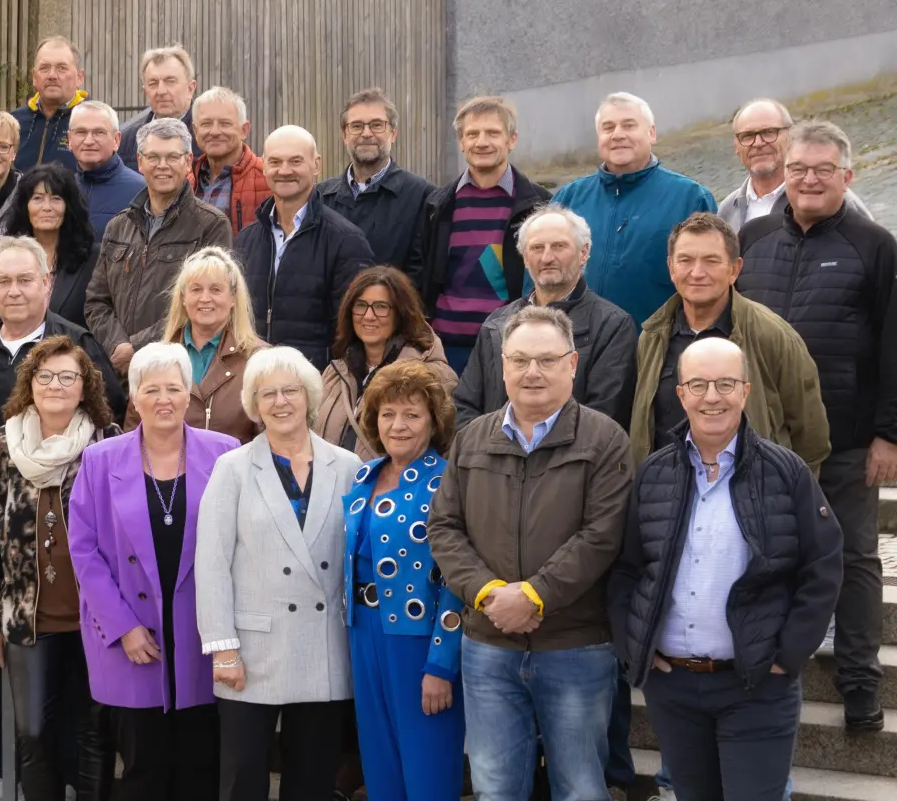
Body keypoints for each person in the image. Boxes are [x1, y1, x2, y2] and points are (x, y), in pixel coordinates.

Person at [609, 337, 843, 799]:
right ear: (680, 394)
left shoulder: (786, 472)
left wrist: (788, 655)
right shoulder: (653, 474)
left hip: (756, 685)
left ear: (745, 391)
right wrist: (635, 646)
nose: (711, 396)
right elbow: (626, 571)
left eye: (725, 384)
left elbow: (824, 565)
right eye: (697, 384)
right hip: (673, 687)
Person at [427, 305, 632, 801]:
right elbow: (444, 527)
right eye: (519, 360)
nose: (531, 372)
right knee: (496, 789)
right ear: (502, 367)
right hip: (488, 645)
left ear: (573, 364)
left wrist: (535, 596)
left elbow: (601, 535)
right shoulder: (472, 439)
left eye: (545, 360)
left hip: (575, 647)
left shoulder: (604, 439)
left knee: (581, 788)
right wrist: (492, 593)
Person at [736, 120, 896, 731]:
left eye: (822, 169)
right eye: (799, 167)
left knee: (854, 558)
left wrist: (890, 433)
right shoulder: (752, 238)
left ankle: (860, 683)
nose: (807, 179)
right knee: (766, 554)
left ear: (846, 177)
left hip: (850, 440)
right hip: (765, 439)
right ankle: (769, 668)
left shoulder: (875, 245)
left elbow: (893, 348)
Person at [66, 343, 241, 801]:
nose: (164, 399)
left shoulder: (226, 454)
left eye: (174, 388)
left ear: (190, 395)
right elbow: (83, 552)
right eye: (152, 389)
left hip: (201, 636)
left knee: (201, 768)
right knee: (142, 769)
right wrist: (122, 628)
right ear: (134, 396)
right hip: (130, 640)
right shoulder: (100, 461)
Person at [196, 346, 361, 801]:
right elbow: (211, 563)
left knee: (311, 780)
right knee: (243, 779)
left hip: (324, 647)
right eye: (267, 393)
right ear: (254, 403)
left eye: (290, 390)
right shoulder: (232, 468)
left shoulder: (348, 468)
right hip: (251, 650)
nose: (280, 402)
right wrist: (222, 648)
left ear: (309, 396)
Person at [0, 335, 121, 801]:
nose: (55, 385)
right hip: (25, 616)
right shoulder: (1, 445)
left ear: (85, 386)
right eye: (45, 376)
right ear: (29, 383)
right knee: (33, 733)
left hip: (97, 619)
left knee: (95, 731)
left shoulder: (106, 444)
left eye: (67, 377)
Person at [340, 361, 465, 801]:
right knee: (380, 767)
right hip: (363, 634)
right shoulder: (363, 476)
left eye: (412, 414)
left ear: (434, 422)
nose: (398, 425)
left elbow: (458, 579)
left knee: (427, 768)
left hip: (418, 641)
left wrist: (441, 665)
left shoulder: (447, 480)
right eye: (388, 413)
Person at [632, 213, 830, 469]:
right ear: (671, 268)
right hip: (666, 497)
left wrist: (784, 499)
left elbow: (811, 438)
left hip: (751, 500)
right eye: (685, 260)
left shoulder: (772, 335)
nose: (697, 272)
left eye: (711, 261)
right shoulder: (652, 336)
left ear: (735, 269)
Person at [455, 204, 636, 429]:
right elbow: (464, 407)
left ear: (584, 252)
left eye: (559, 246)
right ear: (524, 257)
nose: (547, 257)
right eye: (537, 248)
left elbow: (604, 419)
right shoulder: (496, 324)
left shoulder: (613, 326)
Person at [85, 117, 233, 376]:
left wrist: (136, 347)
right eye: (153, 157)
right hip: (119, 371)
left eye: (172, 157)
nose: (162, 166)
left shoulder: (211, 225)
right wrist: (117, 343)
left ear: (188, 162)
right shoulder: (119, 226)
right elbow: (97, 301)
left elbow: (205, 305)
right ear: (140, 162)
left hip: (179, 370)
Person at [554, 92, 717, 326]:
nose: (618, 135)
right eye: (608, 128)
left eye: (629, 125)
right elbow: (538, 274)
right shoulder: (568, 198)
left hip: (655, 346)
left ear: (651, 133)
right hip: (577, 345)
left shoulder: (690, 198)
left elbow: (710, 282)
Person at [419, 96, 550, 375]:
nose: (482, 142)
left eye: (493, 133)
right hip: (446, 349)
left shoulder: (538, 205)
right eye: (472, 134)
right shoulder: (438, 205)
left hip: (510, 346)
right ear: (462, 142)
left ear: (511, 139)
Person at [0, 237, 125, 450]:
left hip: (61, 478)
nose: (14, 291)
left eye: (25, 280)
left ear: (46, 283)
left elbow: (110, 415)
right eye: (3, 281)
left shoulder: (78, 345)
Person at [234, 124, 374, 368]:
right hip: (253, 381)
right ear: (264, 166)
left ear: (316, 165)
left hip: (314, 384)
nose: (284, 170)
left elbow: (356, 329)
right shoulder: (246, 240)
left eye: (296, 161)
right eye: (275, 162)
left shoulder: (345, 240)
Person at [124, 247, 266, 443]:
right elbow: (132, 434)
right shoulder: (153, 359)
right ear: (183, 297)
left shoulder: (260, 360)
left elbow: (272, 439)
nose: (205, 298)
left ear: (233, 297)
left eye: (216, 289)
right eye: (196, 289)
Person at [316, 266, 456, 459]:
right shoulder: (333, 373)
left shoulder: (432, 377)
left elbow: (445, 449)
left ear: (400, 313)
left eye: (381, 307)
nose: (368, 316)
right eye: (361, 305)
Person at [316, 88, 436, 275]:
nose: (366, 133)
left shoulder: (423, 196)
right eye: (356, 126)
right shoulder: (320, 197)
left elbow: (422, 275)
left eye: (377, 125)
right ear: (344, 135)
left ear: (393, 134)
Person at [716, 98, 869, 232]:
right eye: (747, 136)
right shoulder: (728, 210)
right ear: (736, 146)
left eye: (769, 132)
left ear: (791, 136)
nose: (758, 143)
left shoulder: (833, 200)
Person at [0, 163, 98, 328]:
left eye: (56, 199)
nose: (46, 208)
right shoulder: (4, 255)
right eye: (38, 198)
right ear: (25, 206)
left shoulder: (92, 258)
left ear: (69, 206)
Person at [189, 86, 269, 234]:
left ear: (243, 130)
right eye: (206, 124)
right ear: (195, 131)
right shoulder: (185, 182)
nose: (215, 132)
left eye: (225, 123)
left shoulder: (268, 179)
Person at [68, 100, 147, 238]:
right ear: (69, 139)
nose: (88, 141)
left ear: (116, 140)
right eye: (81, 132)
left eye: (99, 132)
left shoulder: (142, 191)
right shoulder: (62, 190)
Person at [13, 36, 88, 172]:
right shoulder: (14, 123)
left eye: (61, 68)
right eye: (44, 68)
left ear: (80, 77)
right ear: (34, 77)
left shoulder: (93, 123)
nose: (52, 75)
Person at [117, 44, 199, 170]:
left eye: (170, 81)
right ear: (145, 91)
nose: (161, 91)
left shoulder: (207, 139)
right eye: (153, 83)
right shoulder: (127, 142)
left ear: (190, 88)